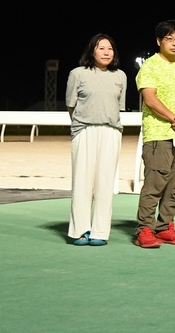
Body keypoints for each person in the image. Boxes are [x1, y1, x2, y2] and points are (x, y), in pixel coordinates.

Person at [134, 19, 175, 248]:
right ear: (159, 41)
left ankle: (164, 227)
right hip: (158, 134)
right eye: (169, 39)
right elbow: (150, 99)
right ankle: (145, 229)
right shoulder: (150, 66)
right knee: (154, 185)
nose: (174, 43)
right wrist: (174, 118)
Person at [66, 33, 127, 246]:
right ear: (92, 51)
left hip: (111, 132)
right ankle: (80, 230)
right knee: (82, 183)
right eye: (101, 48)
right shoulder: (77, 74)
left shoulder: (120, 76)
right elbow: (71, 106)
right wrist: (82, 124)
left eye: (110, 49)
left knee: (105, 183)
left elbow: (118, 107)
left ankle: (100, 231)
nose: (106, 52)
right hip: (84, 131)